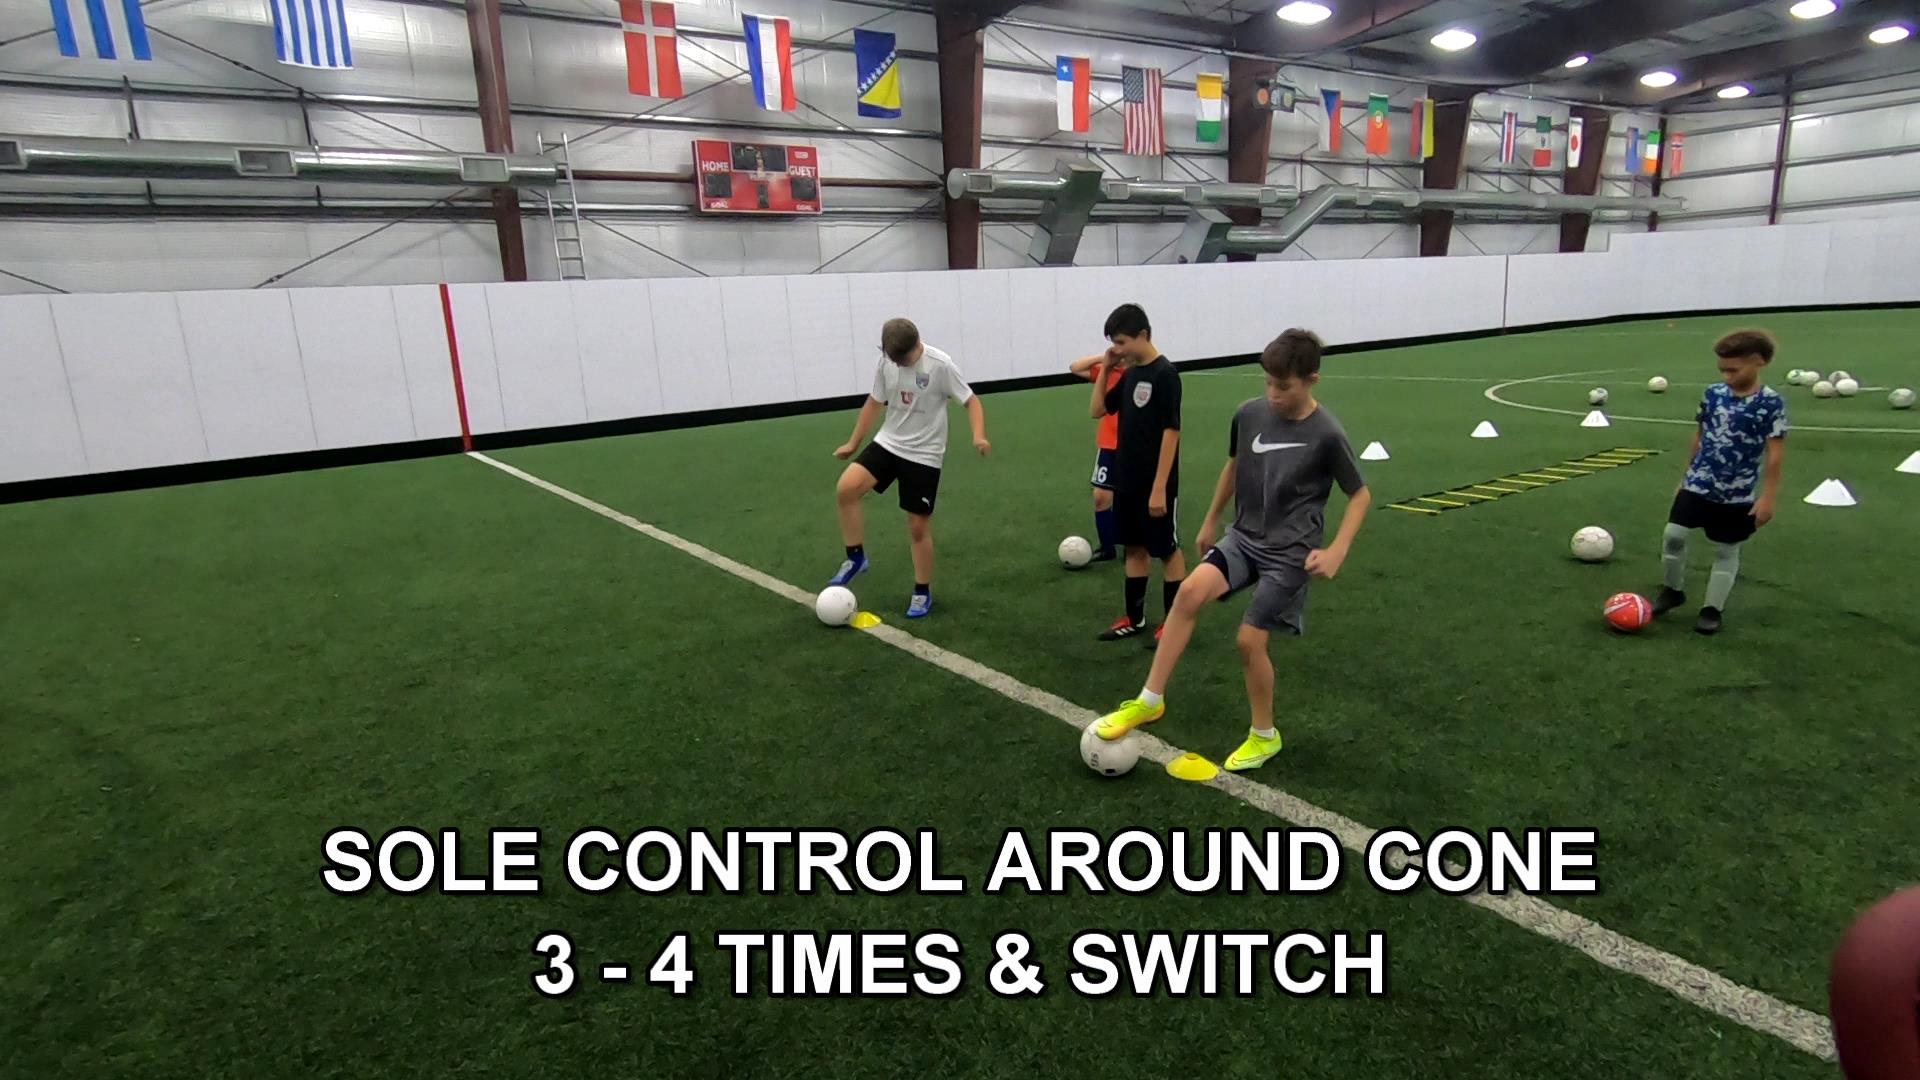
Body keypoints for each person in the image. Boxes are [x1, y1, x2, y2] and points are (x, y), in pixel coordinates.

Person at [1091, 329, 1371, 772]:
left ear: (1312, 380)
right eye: (1268, 383)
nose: (1273, 394)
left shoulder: (1327, 434)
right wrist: (1210, 520)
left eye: (1285, 386)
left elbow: (1360, 495)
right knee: (1187, 594)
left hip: (1290, 552)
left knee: (1247, 641)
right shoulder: (1249, 414)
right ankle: (1150, 700)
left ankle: (1265, 736)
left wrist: (1337, 549)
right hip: (1243, 537)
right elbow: (1235, 465)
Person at [829, 318, 990, 619]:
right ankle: (855, 557)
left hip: (924, 454)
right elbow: (875, 402)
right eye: (892, 358)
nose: (897, 364)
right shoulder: (886, 361)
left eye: (901, 359)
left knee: (917, 527)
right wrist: (853, 443)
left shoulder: (940, 365)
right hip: (889, 443)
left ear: (916, 345)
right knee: (846, 488)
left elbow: (972, 402)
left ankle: (922, 591)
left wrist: (978, 435)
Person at [1653, 328, 1787, 635]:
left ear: (1758, 362)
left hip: (1737, 494)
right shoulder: (1713, 394)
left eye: (1733, 370)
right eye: (1722, 370)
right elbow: (1699, 435)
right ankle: (1672, 591)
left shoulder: (1770, 403)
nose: (1726, 376)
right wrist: (1685, 477)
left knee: (1726, 549)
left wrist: (1767, 497)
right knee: (1673, 535)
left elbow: (1776, 454)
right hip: (1698, 483)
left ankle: (1712, 609)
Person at [1090, 304, 1185, 642]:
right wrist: (1106, 370)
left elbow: (1171, 432)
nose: (1117, 349)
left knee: (1167, 550)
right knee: (1133, 547)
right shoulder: (1130, 373)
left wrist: (1160, 486)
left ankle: (1173, 624)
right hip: (1126, 479)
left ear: (1143, 335)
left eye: (1121, 342)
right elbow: (1097, 410)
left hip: (1155, 482)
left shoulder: (1165, 374)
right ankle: (1134, 618)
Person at [1068, 351, 1125, 562]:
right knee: (1101, 497)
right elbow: (1075, 367)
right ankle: (1107, 547)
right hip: (1109, 445)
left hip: (1135, 446)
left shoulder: (1142, 373)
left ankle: (1135, 543)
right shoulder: (1107, 372)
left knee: (1132, 498)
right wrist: (1104, 358)